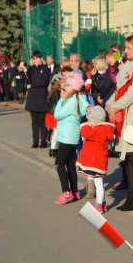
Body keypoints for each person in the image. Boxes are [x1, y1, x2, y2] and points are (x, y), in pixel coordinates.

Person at [106, 33, 133, 211]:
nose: (125, 51)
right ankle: (132, 196)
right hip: (123, 112)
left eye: (129, 48)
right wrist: (110, 105)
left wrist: (114, 107)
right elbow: (118, 87)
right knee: (129, 158)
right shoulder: (129, 63)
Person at [53, 72, 88, 205]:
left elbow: (57, 115)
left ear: (73, 87)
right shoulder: (79, 98)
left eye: (66, 85)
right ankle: (75, 192)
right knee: (70, 164)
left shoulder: (71, 101)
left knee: (59, 163)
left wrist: (61, 99)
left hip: (67, 136)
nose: (64, 88)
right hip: (72, 136)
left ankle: (66, 192)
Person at [76, 105, 115, 213]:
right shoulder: (101, 129)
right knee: (99, 183)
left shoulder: (100, 130)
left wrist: (84, 124)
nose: (88, 122)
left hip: (96, 161)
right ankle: (102, 203)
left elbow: (85, 133)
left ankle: (98, 205)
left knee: (98, 184)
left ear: (96, 120)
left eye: (90, 120)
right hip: (97, 160)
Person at [26, 51, 52, 148]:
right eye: (34, 58)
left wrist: (32, 85)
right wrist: (31, 84)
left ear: (41, 59)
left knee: (42, 121)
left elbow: (43, 82)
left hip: (42, 98)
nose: (35, 60)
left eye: (37, 58)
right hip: (33, 98)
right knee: (34, 121)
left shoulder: (46, 69)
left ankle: (43, 141)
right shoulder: (31, 69)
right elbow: (28, 81)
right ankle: (35, 141)